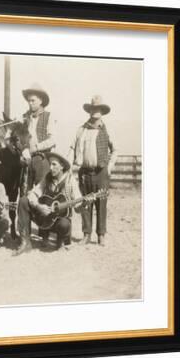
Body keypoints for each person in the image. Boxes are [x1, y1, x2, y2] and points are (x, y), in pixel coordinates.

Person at [15, 152, 87, 255]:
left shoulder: (70, 181)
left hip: (59, 221)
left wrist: (84, 204)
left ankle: (60, 241)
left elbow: (77, 207)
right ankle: (25, 241)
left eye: (54, 164)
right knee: (23, 200)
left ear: (62, 166)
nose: (51, 168)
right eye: (50, 165)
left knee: (65, 224)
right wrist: (39, 206)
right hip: (44, 217)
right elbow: (33, 193)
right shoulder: (47, 178)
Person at [68, 95, 118, 246]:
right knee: (85, 203)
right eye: (93, 109)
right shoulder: (81, 130)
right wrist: (69, 166)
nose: (96, 112)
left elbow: (115, 150)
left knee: (101, 203)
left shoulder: (107, 130)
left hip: (101, 172)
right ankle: (86, 234)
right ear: (89, 111)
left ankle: (101, 235)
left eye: (99, 109)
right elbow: (72, 148)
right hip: (85, 172)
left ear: (102, 112)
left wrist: (109, 167)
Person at [20, 83, 57, 188]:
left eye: (33, 100)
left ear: (40, 101)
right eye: (29, 101)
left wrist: (35, 148)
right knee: (25, 192)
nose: (30, 103)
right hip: (27, 161)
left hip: (42, 159)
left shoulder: (49, 116)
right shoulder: (24, 118)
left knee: (41, 191)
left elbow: (52, 140)